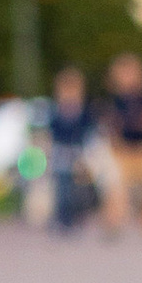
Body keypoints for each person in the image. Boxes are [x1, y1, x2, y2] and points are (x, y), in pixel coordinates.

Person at [99, 52, 142, 230]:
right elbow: (112, 125)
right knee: (116, 187)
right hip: (122, 148)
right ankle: (114, 221)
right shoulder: (114, 99)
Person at [45, 66, 98, 230]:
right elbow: (51, 133)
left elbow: (89, 134)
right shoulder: (55, 112)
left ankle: (79, 216)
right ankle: (63, 219)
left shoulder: (85, 112)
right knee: (62, 189)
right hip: (61, 153)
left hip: (79, 153)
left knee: (79, 189)